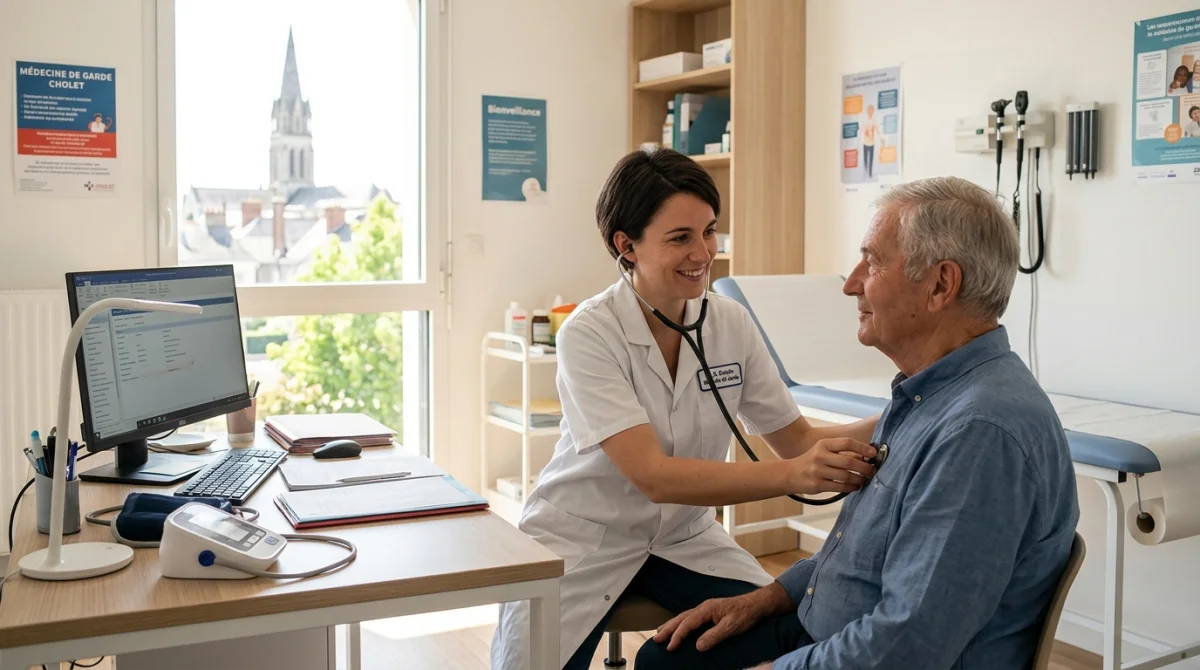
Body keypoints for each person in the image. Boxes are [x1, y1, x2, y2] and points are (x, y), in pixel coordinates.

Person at [645, 176, 1080, 669]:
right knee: (666, 658)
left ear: (940, 284)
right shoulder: (923, 395)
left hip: (873, 650)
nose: (851, 283)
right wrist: (761, 601)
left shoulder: (977, 434)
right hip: (831, 623)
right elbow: (859, 559)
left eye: (872, 261)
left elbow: (908, 645)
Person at [490, 148, 881, 670]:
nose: (704, 253)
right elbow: (654, 476)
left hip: (684, 538)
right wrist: (792, 475)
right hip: (584, 537)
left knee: (792, 625)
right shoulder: (590, 331)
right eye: (680, 238)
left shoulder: (730, 323)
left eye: (709, 231)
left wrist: (902, 410)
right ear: (625, 245)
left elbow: (799, 441)